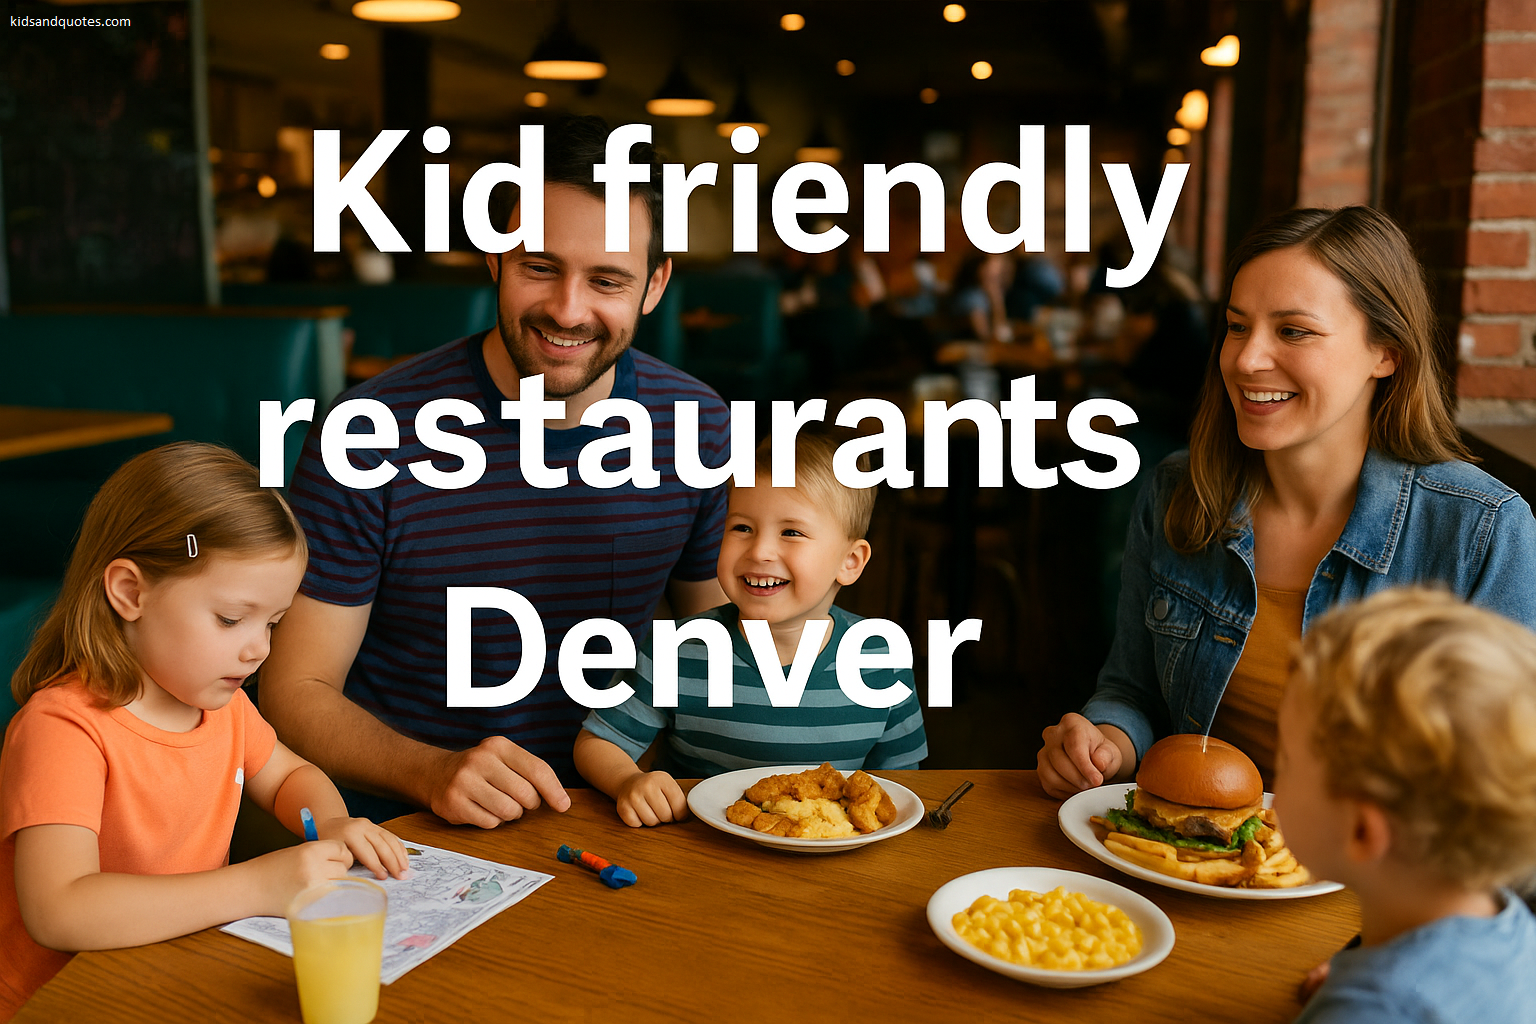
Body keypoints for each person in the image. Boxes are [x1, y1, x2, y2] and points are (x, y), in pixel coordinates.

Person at [261, 115, 731, 829]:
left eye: (607, 279)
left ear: (656, 284)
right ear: (495, 258)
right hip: (407, 823)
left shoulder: (696, 421)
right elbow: (295, 688)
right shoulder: (366, 428)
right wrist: (430, 771)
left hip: (619, 811)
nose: (567, 310)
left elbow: (718, 642)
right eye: (539, 267)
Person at [1036, 205, 1536, 798]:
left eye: (1293, 330)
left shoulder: (1481, 530)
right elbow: (1133, 689)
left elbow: (1506, 790)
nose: (1246, 359)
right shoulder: (1179, 491)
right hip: (1181, 863)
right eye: (1238, 326)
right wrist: (1104, 743)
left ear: (1388, 352)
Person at [0, 443, 407, 1021]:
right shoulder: (63, 729)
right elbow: (59, 910)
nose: (258, 648)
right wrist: (256, 886)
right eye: (229, 618)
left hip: (167, 977)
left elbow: (292, 775)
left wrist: (330, 821)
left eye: (272, 622)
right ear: (131, 593)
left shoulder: (223, 706)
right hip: (59, 1002)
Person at [572, 428, 928, 828]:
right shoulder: (679, 649)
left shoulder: (880, 657)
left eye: (791, 532)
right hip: (702, 851)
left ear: (850, 561)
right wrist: (629, 780)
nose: (759, 551)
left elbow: (899, 785)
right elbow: (597, 742)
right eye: (742, 528)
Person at [1278, 588, 1536, 1023]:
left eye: (1285, 759)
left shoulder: (1371, 1009)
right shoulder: (1515, 931)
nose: (1275, 770)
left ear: (1363, 831)